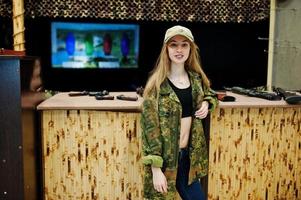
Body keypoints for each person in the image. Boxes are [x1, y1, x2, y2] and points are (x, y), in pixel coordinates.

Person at [141, 25, 218, 200]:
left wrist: (207, 102)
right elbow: (149, 131)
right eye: (173, 45)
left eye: (184, 45)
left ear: (191, 49)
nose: (179, 49)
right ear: (166, 49)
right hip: (165, 162)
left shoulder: (196, 79)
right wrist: (155, 169)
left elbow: (211, 94)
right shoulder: (156, 86)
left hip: (188, 160)